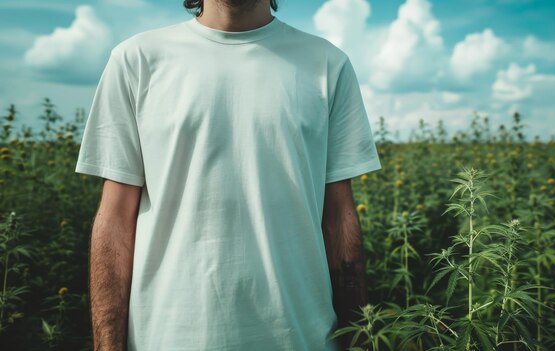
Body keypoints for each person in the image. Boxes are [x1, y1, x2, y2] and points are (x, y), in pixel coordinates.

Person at [74, 0, 382, 349]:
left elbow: (339, 216)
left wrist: (359, 339)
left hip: (301, 337)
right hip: (166, 337)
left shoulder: (328, 64)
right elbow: (115, 218)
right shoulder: (136, 59)